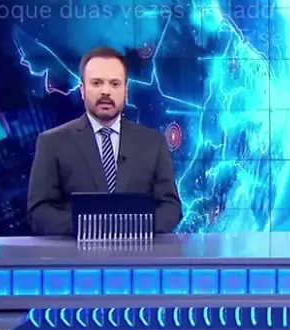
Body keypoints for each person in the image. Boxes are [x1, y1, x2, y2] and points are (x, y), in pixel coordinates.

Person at [27, 46, 183, 235]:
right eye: (97, 83)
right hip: (77, 251)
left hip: (138, 250)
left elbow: (171, 207)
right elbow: (39, 211)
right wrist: (91, 228)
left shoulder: (153, 143)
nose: (106, 92)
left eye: (115, 84)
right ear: (83, 90)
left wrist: (133, 227)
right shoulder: (52, 143)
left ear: (126, 92)